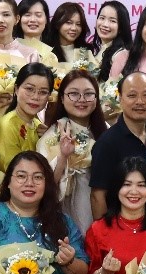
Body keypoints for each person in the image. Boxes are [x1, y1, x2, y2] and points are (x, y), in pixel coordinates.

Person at [36, 68, 106, 233]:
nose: (81, 100)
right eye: (73, 94)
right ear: (62, 98)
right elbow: (45, 182)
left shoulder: (106, 131)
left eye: (88, 94)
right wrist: (63, 156)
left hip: (102, 202)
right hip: (68, 204)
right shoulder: (53, 135)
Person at [89, 72, 146, 219]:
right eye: (132, 95)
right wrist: (105, 230)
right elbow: (98, 196)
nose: (140, 101)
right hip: (120, 225)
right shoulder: (107, 143)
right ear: (120, 99)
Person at [0, 63, 54, 170]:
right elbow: (14, 172)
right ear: (16, 89)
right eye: (29, 89)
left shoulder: (38, 125)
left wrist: (48, 140)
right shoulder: (7, 126)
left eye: (43, 92)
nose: (35, 97)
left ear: (49, 96)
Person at [93, 0, 134, 76]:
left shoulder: (120, 54)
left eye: (112, 21)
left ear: (121, 27)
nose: (105, 24)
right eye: (102, 18)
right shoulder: (98, 49)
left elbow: (114, 83)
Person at [13, 0, 57, 64]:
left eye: (38, 15)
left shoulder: (52, 56)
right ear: (18, 19)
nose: (33, 20)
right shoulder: (10, 50)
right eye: (27, 15)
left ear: (46, 19)